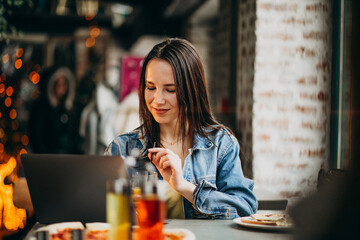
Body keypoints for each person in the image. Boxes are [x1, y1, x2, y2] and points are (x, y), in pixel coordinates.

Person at [105, 38, 257, 219]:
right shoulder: (122, 148)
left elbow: (245, 208)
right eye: (150, 87)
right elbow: (102, 214)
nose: (157, 100)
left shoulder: (220, 144)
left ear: (191, 90)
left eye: (170, 90)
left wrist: (185, 187)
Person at [29, 67, 79, 154]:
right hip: (47, 158)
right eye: (58, 84)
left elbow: (73, 135)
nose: (61, 88)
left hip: (66, 158)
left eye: (64, 84)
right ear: (51, 85)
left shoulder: (69, 109)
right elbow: (36, 136)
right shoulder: (41, 108)